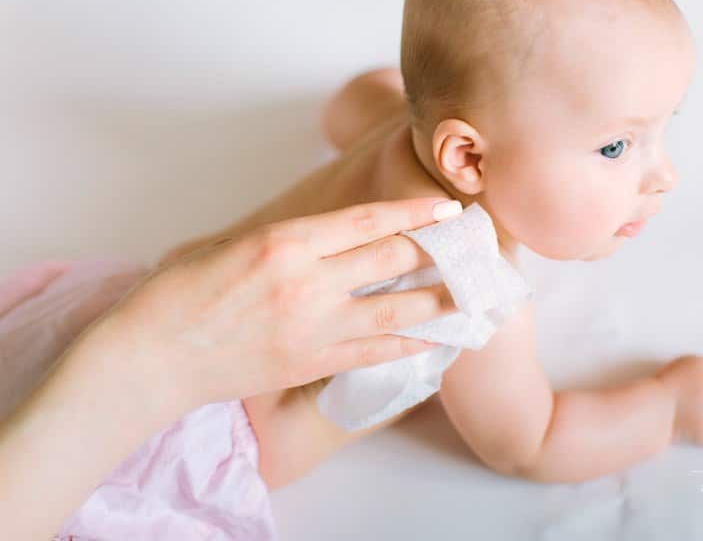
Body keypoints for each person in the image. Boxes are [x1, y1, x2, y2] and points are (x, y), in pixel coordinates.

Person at [161, 0, 703, 492]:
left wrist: (438, 82)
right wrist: (670, 407)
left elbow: (353, 97)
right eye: (616, 147)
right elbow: (530, 442)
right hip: (203, 440)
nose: (665, 175)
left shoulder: (396, 128)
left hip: (158, 301)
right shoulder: (467, 283)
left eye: (662, 129)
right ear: (466, 157)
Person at [0, 197, 464, 540]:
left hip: (116, 342)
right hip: (118, 325)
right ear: (464, 152)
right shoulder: (470, 249)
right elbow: (519, 446)